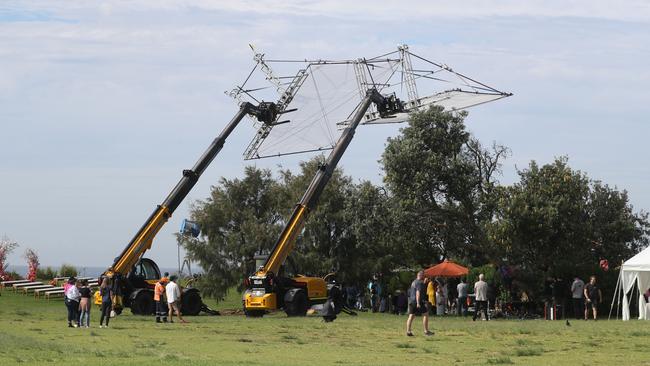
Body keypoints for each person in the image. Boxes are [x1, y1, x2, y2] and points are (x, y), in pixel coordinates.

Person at [405, 270, 433, 337]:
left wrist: (425, 283)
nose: (424, 277)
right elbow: (418, 293)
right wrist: (418, 303)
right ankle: (426, 331)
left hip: (411, 301)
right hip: (418, 301)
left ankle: (408, 331)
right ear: (421, 275)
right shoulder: (420, 283)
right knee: (425, 314)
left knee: (411, 316)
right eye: (424, 275)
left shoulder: (414, 282)